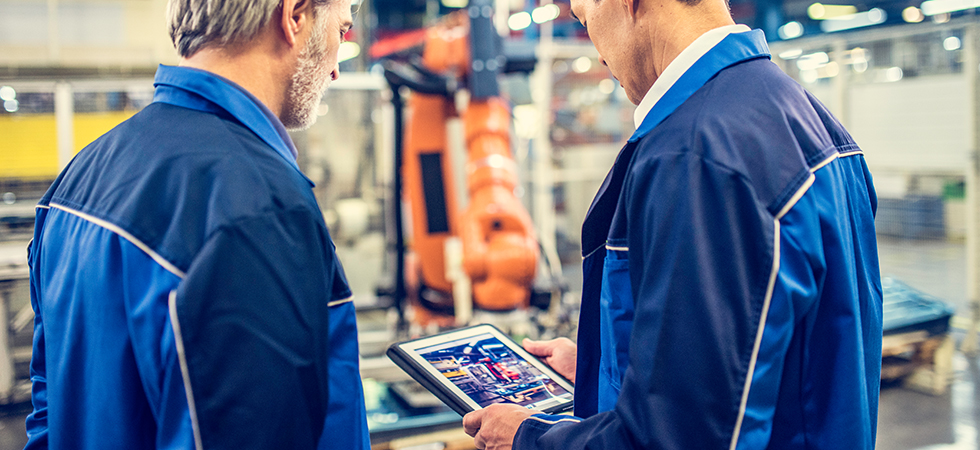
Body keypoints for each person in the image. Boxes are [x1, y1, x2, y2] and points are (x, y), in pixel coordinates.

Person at [462, 0, 882, 448]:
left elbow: (680, 436)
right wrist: (601, 369)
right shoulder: (806, 118)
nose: (599, 54)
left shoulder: (697, 152)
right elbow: (756, 364)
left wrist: (528, 438)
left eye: (587, 20)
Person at [23, 0, 370, 448]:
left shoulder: (83, 173)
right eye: (340, 32)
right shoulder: (260, 209)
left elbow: (48, 411)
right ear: (295, 16)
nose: (336, 70)